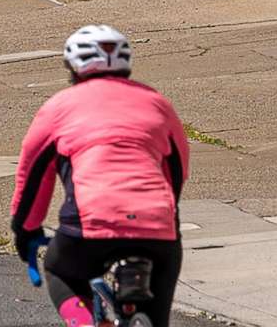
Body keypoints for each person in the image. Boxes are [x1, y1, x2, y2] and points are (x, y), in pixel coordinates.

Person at [12, 25, 191, 327]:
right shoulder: (157, 103)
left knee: (59, 270)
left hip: (89, 223)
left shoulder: (58, 107)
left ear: (73, 67)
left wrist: (26, 229)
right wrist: (163, 215)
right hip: (156, 224)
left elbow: (33, 176)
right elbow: (177, 168)